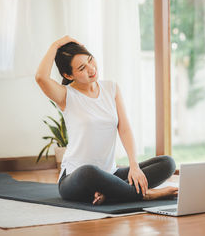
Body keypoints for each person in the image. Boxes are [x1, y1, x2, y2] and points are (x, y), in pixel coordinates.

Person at [35, 35, 178, 205]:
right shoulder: (66, 95)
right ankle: (145, 195)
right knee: (89, 172)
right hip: (76, 178)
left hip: (110, 174)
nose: (91, 69)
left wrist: (134, 166)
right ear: (68, 74)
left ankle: (111, 193)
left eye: (90, 60)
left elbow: (124, 128)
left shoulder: (111, 88)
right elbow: (40, 77)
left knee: (167, 163)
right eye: (82, 68)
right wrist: (56, 44)